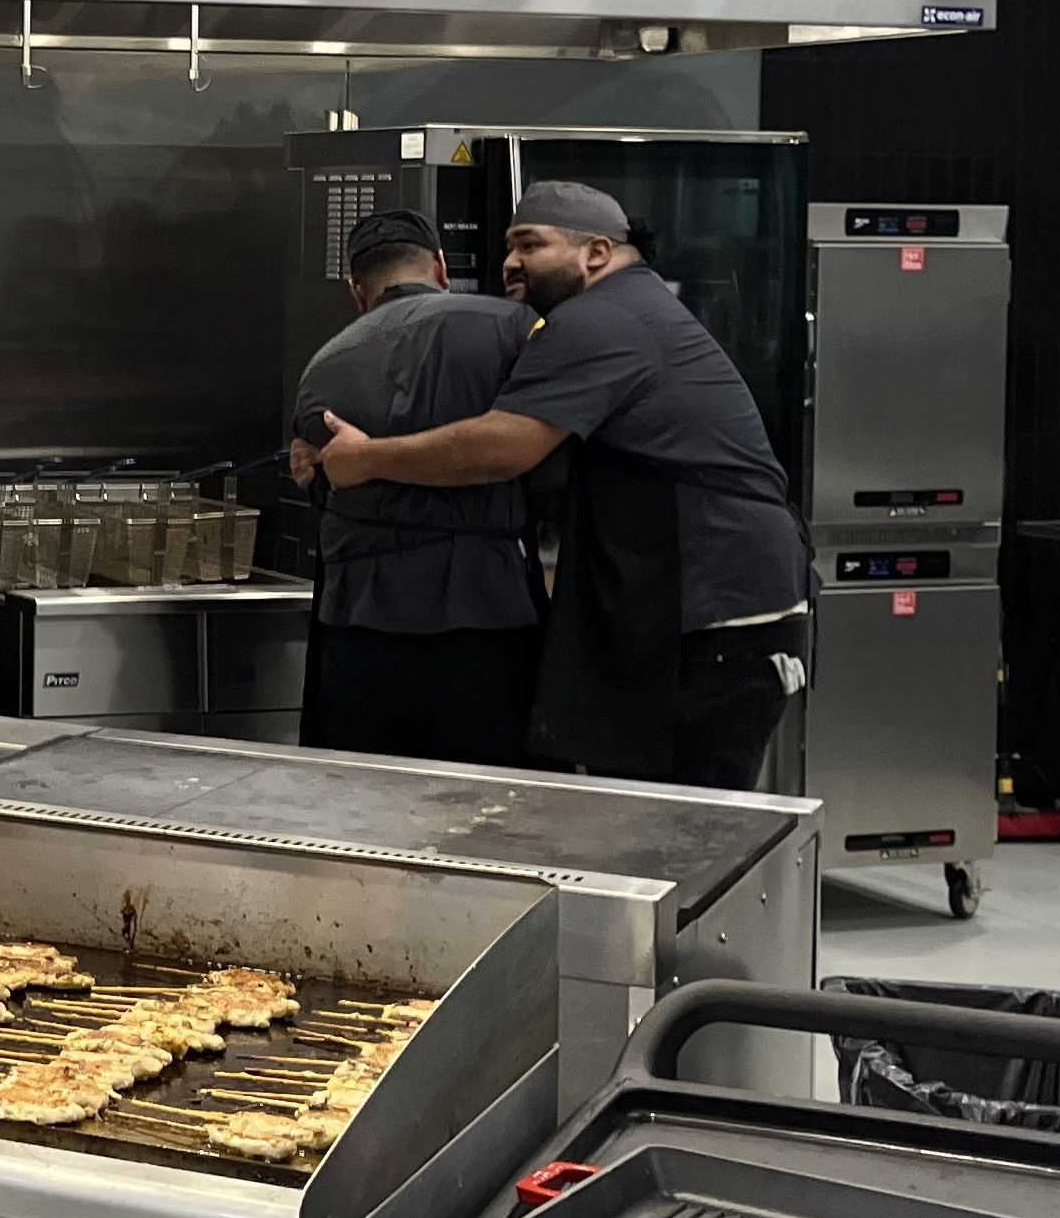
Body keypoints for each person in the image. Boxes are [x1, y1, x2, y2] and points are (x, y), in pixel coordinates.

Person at [301, 180, 809, 790]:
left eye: (531, 245)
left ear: (597, 252)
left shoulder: (601, 319)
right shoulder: (616, 311)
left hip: (717, 609)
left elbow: (503, 446)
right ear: (437, 267)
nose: (510, 263)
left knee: (686, 822)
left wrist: (365, 459)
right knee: (652, 812)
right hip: (699, 604)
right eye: (509, 247)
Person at [290, 207, 543, 766]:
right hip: (488, 616)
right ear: (441, 266)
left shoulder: (320, 370)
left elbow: (323, 488)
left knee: (369, 801)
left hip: (362, 631)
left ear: (357, 289)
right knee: (487, 802)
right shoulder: (513, 329)